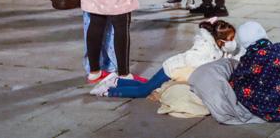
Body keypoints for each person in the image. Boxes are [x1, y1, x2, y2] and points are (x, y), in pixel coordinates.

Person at [93, 19, 236, 97]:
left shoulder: (216, 46)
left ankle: (116, 81)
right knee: (143, 91)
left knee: (147, 86)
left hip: (174, 68)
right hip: (171, 69)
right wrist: (214, 62)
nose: (232, 42)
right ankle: (107, 91)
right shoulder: (205, 46)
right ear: (219, 39)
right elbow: (192, 60)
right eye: (230, 39)